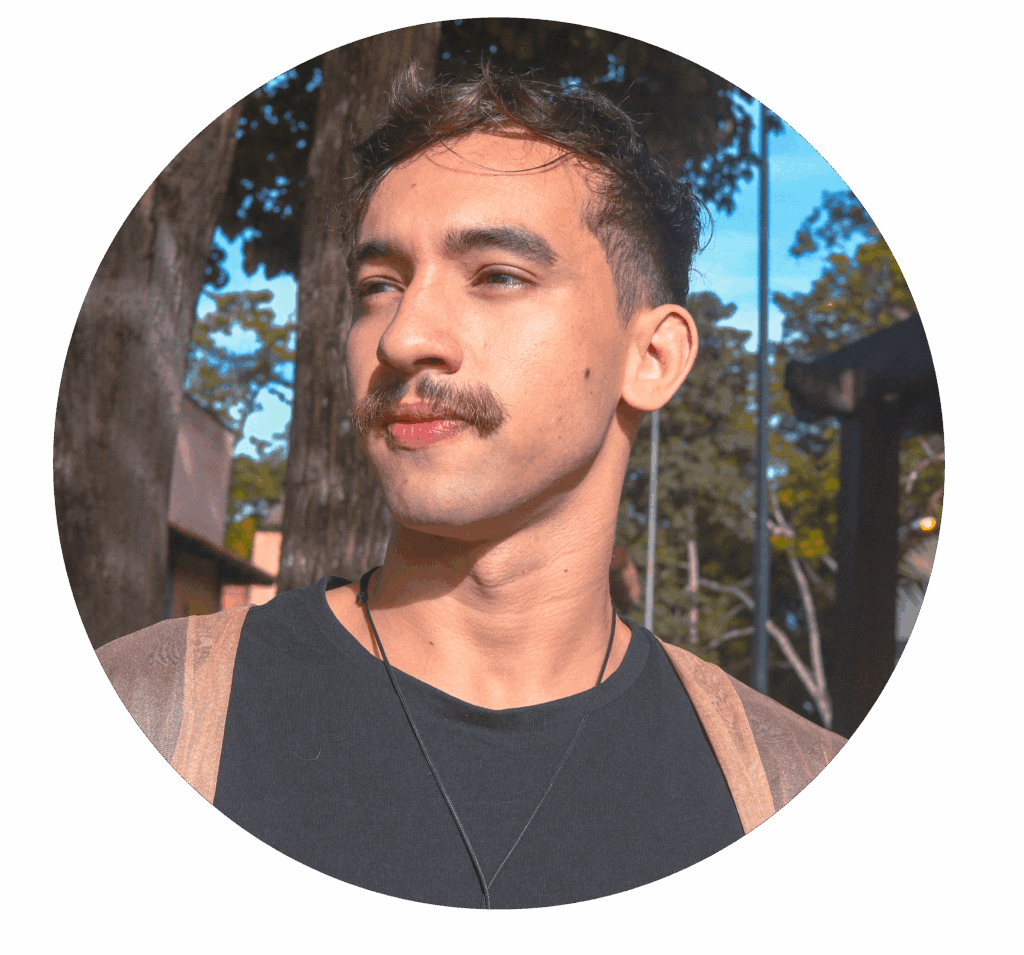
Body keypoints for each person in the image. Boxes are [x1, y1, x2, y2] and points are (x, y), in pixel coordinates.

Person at [98, 68, 844, 909]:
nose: (404, 336)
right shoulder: (150, 714)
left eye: (497, 275)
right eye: (380, 286)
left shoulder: (786, 786)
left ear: (652, 358)